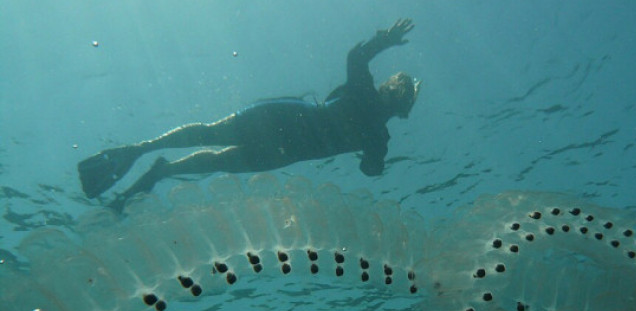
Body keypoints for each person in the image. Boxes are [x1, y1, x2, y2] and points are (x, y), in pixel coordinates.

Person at [78, 19, 420, 205]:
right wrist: (385, 40)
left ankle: (160, 170)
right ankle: (138, 151)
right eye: (395, 86)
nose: (394, 92)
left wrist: (375, 161)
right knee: (212, 133)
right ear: (388, 88)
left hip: (288, 150)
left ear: (403, 109)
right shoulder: (365, 96)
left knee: (219, 161)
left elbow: (370, 170)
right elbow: (356, 58)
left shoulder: (379, 135)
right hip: (282, 119)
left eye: (401, 93)